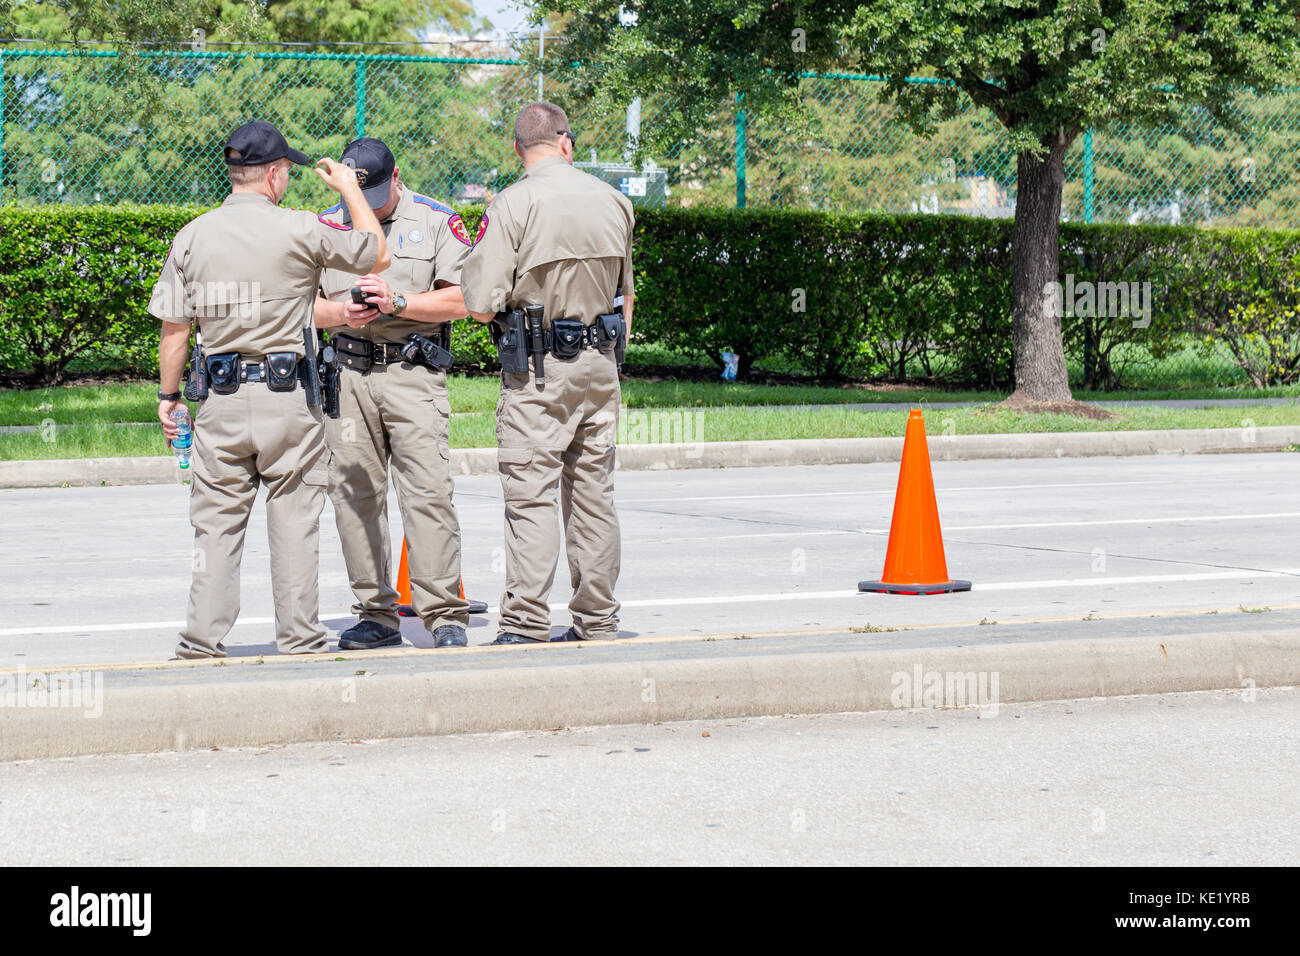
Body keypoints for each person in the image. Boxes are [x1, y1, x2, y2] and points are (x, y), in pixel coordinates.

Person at [151, 120, 389, 659]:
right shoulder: (300, 229)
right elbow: (376, 254)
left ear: (235, 173)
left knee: (214, 527)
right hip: (288, 401)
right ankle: (300, 639)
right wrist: (351, 187)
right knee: (295, 520)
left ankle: (201, 639)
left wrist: (170, 400)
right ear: (277, 175)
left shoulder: (193, 235)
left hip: (220, 402)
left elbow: (174, 330)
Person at [460, 101, 635, 645]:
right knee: (592, 494)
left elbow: (481, 304)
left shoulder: (512, 204)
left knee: (531, 494)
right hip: (600, 362)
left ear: (518, 149)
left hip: (538, 372)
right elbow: (626, 295)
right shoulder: (615, 201)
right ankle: (598, 619)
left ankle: (527, 621)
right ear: (567, 142)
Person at [313, 137, 473, 650]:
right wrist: (342, 314)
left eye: (379, 192)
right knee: (355, 497)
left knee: (427, 492)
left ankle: (444, 612)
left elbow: (467, 297)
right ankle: (376, 613)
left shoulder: (435, 220)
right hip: (349, 374)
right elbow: (299, 306)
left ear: (396, 176)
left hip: (412, 372)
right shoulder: (325, 225)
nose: (369, 205)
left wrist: (400, 300)